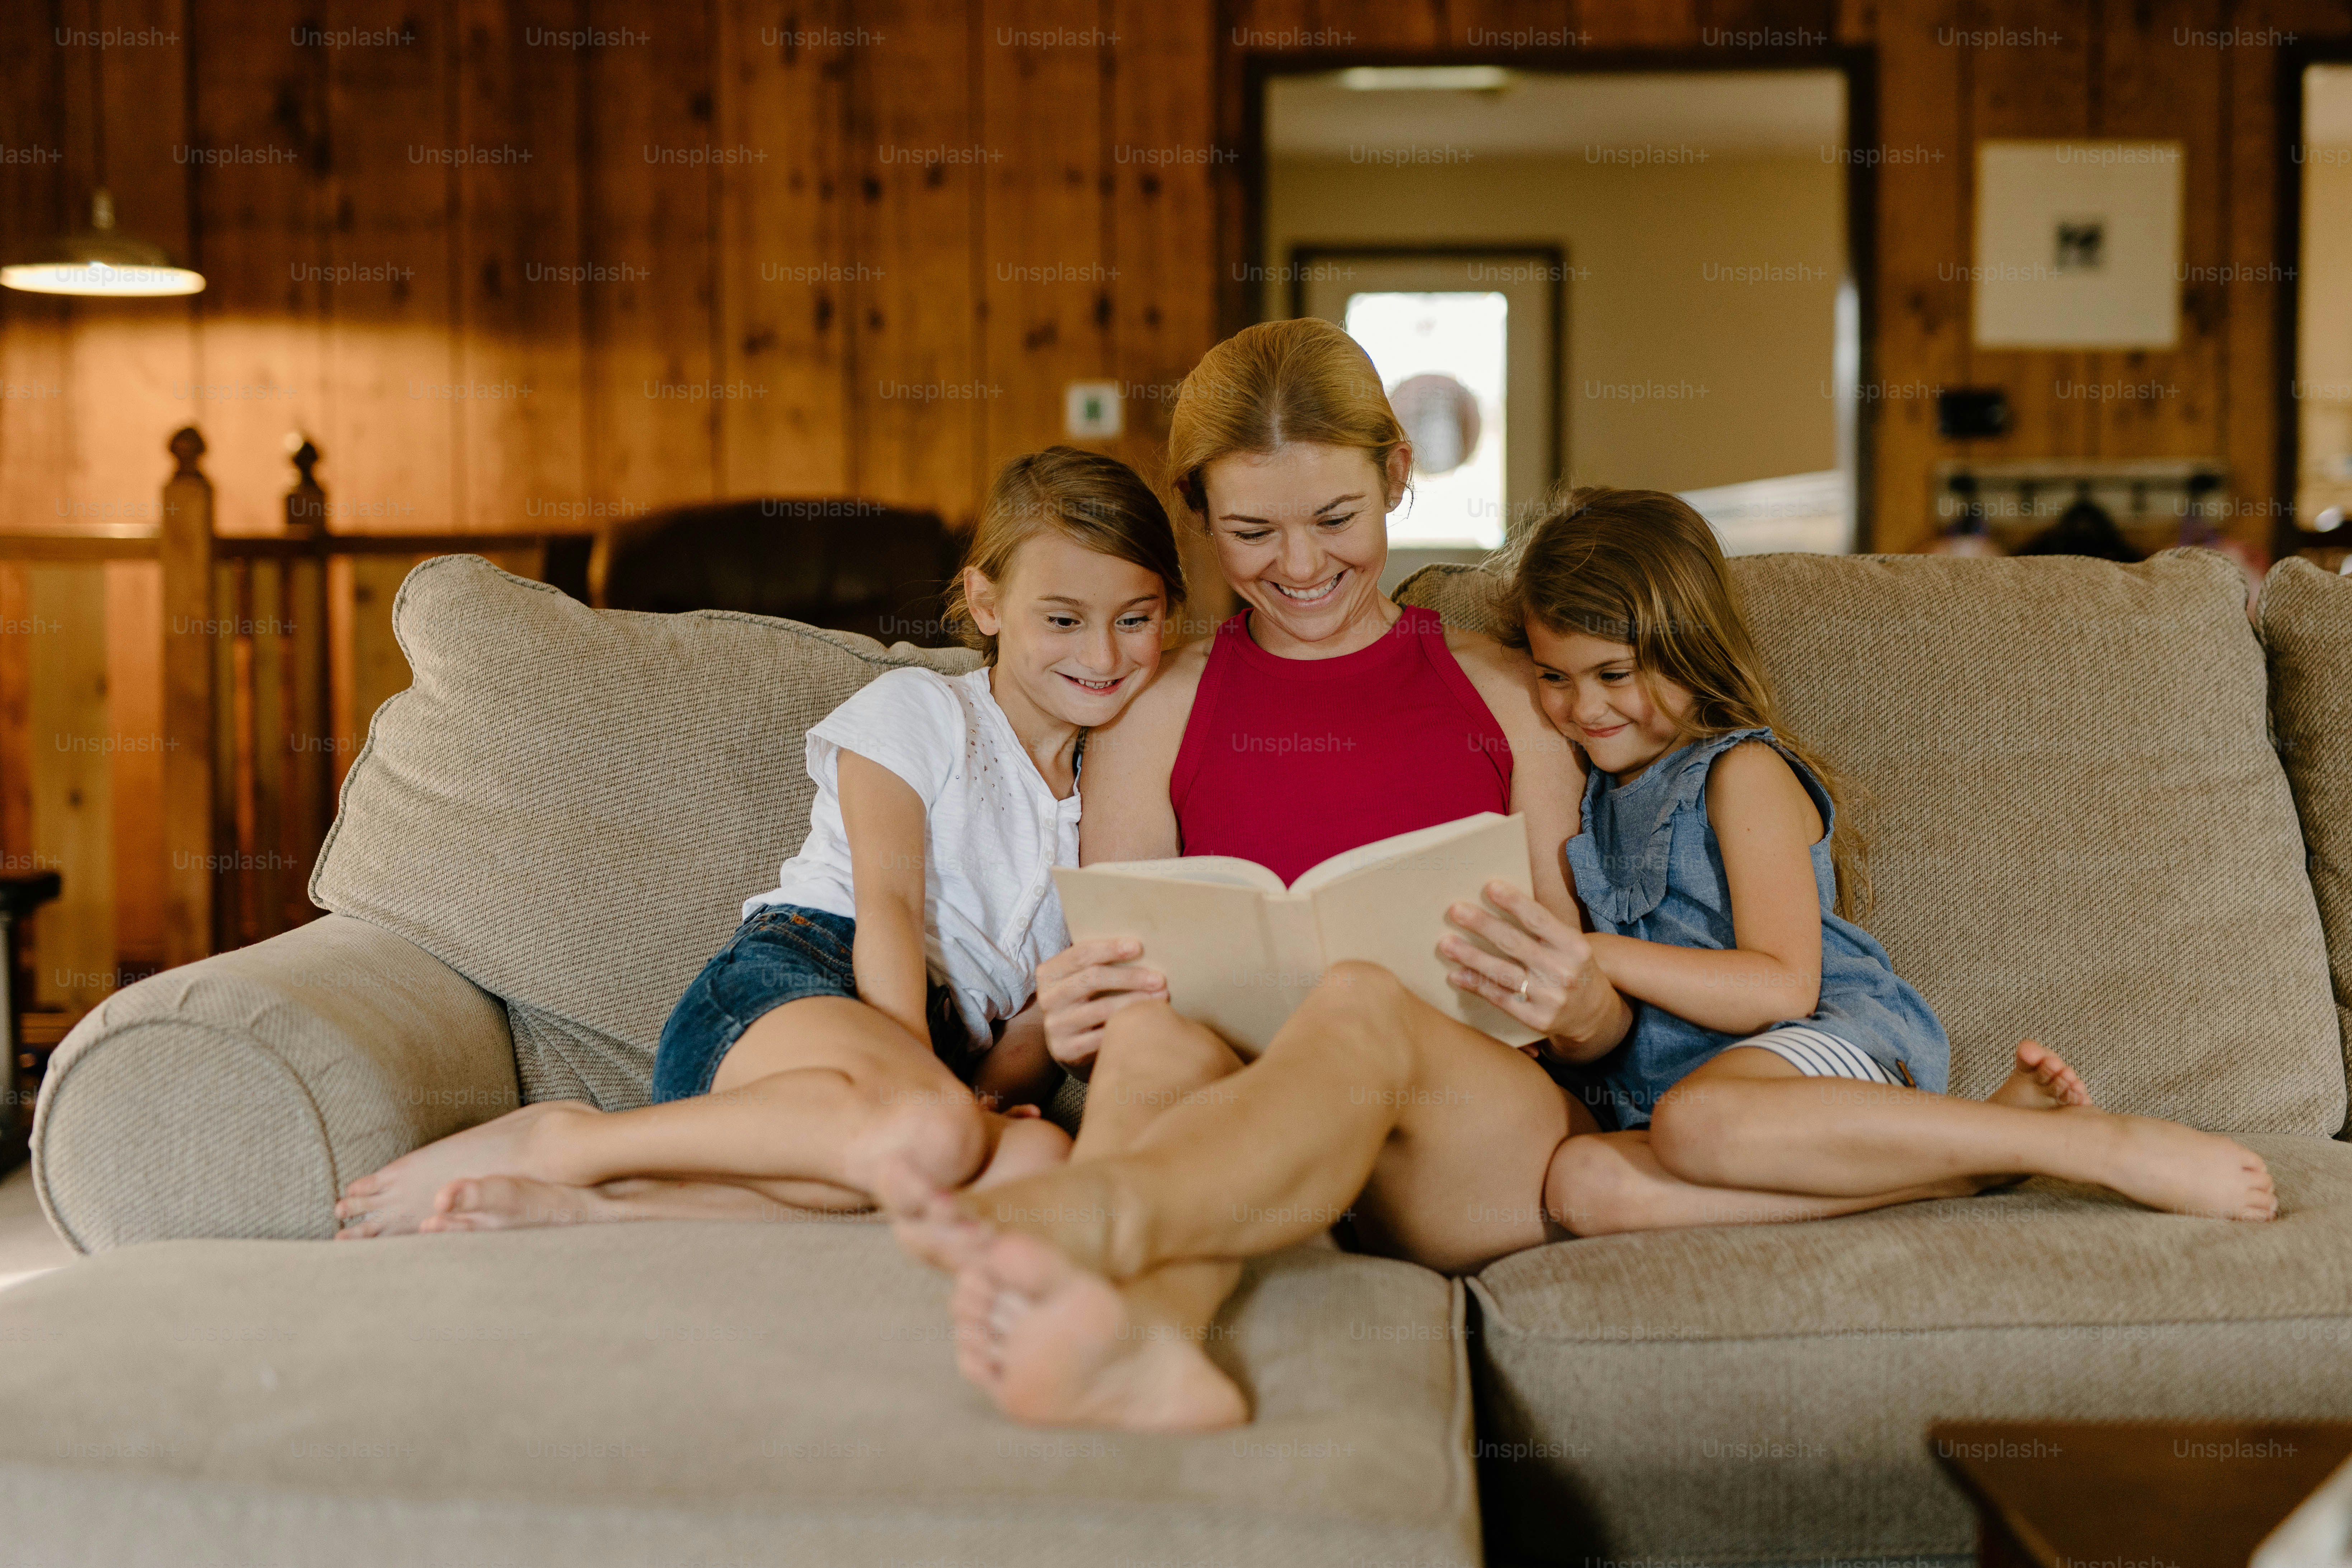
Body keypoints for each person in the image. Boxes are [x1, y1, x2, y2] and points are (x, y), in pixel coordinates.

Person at [879, 338, 2277, 1434]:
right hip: (1248, 1111)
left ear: (1400, 479)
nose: (1298, 567)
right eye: (1249, 532)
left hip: (1457, 1136)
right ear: (1196, 517)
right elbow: (1130, 966)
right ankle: (1152, 1344)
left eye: (1336, 517)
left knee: (1360, 1000)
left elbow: (1597, 1015)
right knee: (1152, 1037)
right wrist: (1079, 1000)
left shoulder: (1507, 691)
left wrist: (1580, 1004)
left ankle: (1100, 1219)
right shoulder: (1159, 707)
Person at [333, 447, 1185, 1237]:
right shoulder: (924, 710)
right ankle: (569, 1141)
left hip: (920, 1063)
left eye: (1135, 619)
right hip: (797, 983)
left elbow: (1024, 1035)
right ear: (989, 601)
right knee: (933, 1130)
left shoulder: (1104, 815)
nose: (1103, 653)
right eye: (1064, 619)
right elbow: (888, 910)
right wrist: (938, 1098)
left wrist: (990, 1095)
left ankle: (608, 1207)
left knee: (1037, 1156)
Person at [1483, 486, 2275, 1237]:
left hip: (1815, 1046)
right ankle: (1968, 1163)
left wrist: (1595, 953)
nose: (1582, 708)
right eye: (1553, 677)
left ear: (1688, 647)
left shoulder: (1737, 773)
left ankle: (2095, 1149)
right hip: (1690, 1102)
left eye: (1611, 674)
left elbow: (1780, 984)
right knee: (1580, 1182)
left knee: (1698, 1121)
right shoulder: (1596, 796)